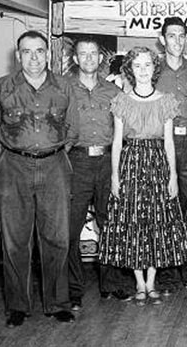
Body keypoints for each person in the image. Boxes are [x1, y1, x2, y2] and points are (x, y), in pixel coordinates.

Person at [0, 30, 78, 327]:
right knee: (15, 241)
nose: (34, 57)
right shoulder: (2, 88)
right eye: (27, 51)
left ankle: (58, 303)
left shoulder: (64, 87)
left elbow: (72, 131)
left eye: (39, 51)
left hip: (54, 167)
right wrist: (12, 159)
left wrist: (48, 156)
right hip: (13, 169)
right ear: (18, 55)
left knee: (57, 239)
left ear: (48, 54)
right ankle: (18, 307)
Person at [99, 46, 187, 306]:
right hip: (131, 164)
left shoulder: (166, 100)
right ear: (130, 69)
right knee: (134, 223)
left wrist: (172, 175)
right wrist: (116, 177)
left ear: (154, 68)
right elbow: (117, 142)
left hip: (158, 164)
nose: (142, 71)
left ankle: (152, 283)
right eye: (137, 66)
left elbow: (169, 143)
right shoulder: (122, 101)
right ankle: (139, 283)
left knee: (157, 222)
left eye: (147, 65)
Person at [67, 36, 135, 311]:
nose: (88, 59)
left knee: (111, 224)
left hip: (108, 161)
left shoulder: (113, 92)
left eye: (93, 54)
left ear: (101, 58)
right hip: (76, 162)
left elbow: (126, 129)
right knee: (70, 228)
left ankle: (111, 284)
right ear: (75, 59)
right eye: (83, 54)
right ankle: (72, 290)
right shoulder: (63, 88)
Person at [156, 17, 187, 295]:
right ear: (162, 39)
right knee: (165, 208)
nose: (177, 40)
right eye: (171, 35)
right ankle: (168, 274)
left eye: (181, 35)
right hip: (161, 143)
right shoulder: (152, 70)